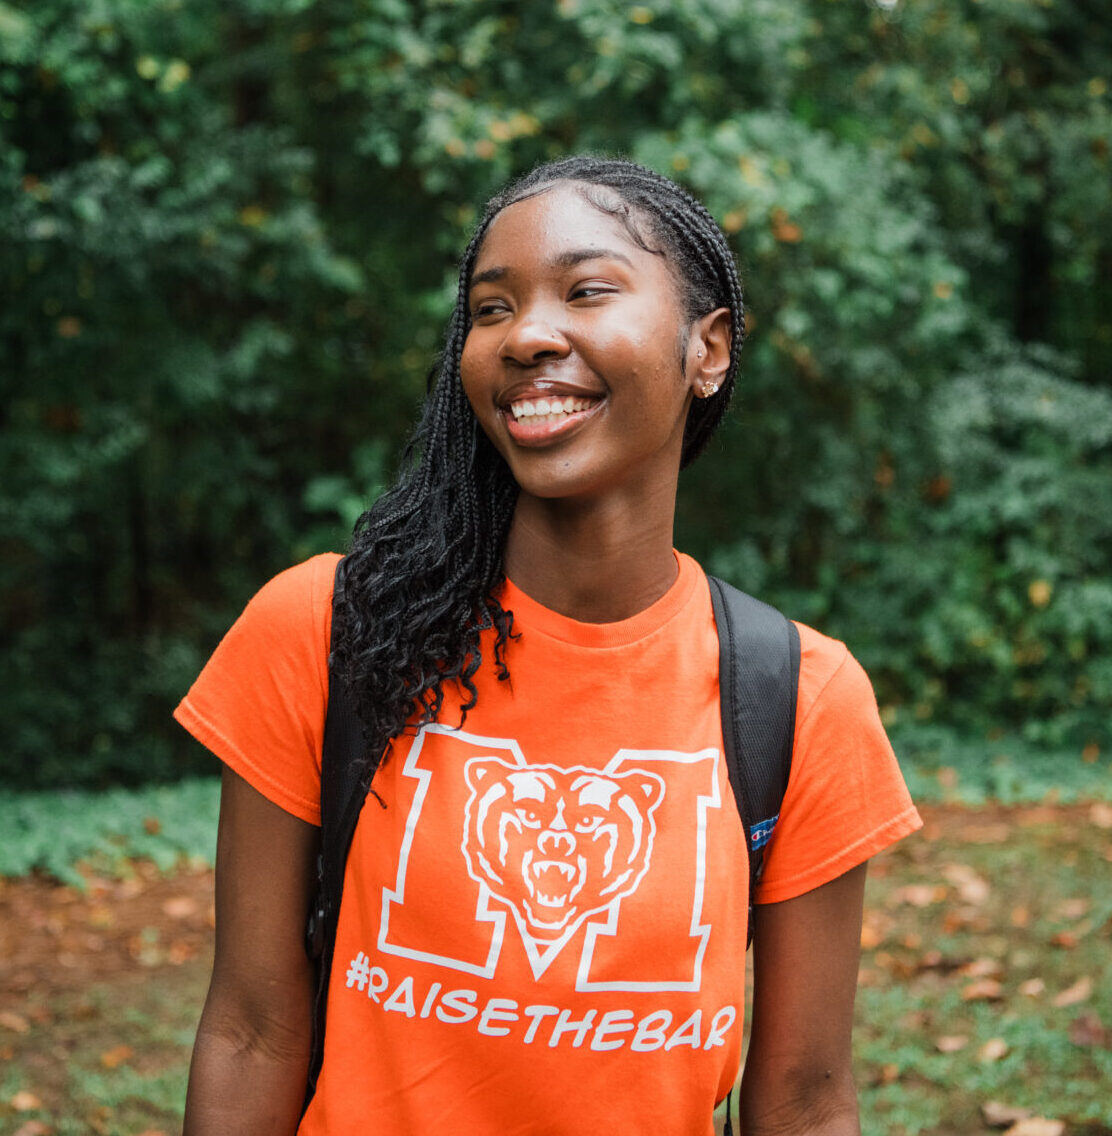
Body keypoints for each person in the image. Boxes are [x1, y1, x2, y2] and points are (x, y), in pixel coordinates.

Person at [175, 156, 922, 1135]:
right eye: (490, 309)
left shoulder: (798, 694)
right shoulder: (324, 629)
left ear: (709, 349)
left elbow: (804, 1094)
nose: (527, 334)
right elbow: (252, 1029)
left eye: (585, 290)